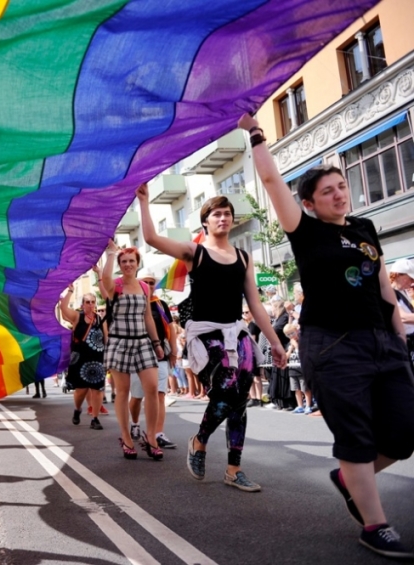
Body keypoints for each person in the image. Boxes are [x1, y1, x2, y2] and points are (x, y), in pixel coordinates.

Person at [240, 113, 414, 558]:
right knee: (355, 436)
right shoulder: (305, 230)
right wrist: (256, 133)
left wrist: (399, 341)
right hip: (333, 344)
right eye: (327, 191)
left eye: (341, 186)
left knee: (403, 434)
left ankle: (349, 478)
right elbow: (270, 178)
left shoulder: (365, 229)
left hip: (383, 341)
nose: (338, 194)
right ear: (310, 203)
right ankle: (375, 524)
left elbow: (382, 289)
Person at [138, 180, 285, 492]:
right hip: (206, 335)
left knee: (241, 402)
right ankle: (199, 440)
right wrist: (144, 203)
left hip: (237, 333)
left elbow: (255, 304)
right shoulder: (195, 252)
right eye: (217, 214)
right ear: (205, 221)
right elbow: (151, 237)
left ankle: (234, 470)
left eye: (227, 213)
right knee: (227, 390)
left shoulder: (244, 257)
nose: (223, 218)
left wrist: (273, 341)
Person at [101, 244, 165, 460]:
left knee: (153, 388)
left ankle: (151, 437)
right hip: (119, 343)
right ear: (120, 265)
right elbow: (105, 278)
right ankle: (126, 438)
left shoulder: (144, 288)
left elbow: (147, 316)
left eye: (131, 261)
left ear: (137, 264)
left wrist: (156, 343)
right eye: (124, 261)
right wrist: (110, 254)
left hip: (142, 342)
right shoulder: (115, 286)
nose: (128, 264)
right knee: (123, 391)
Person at [131, 269, 178, 449]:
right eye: (146, 282)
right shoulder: (133, 302)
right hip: (137, 355)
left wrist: (173, 352)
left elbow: (171, 328)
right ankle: (135, 423)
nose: (149, 286)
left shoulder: (161, 304)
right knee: (137, 396)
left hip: (160, 356)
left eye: (152, 282)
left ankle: (158, 433)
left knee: (160, 394)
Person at [59, 288, 107, 430]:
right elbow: (63, 307)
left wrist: (108, 356)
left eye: (93, 302)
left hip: (97, 358)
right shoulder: (77, 317)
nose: (90, 305)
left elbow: (106, 337)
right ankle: (78, 409)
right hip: (80, 358)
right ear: (82, 304)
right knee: (81, 390)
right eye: (87, 302)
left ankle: (95, 418)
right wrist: (70, 291)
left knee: (98, 389)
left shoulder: (100, 319)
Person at [388, 259, 414, 365]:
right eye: (409, 279)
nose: (411, 283)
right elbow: (403, 317)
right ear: (398, 275)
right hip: (400, 343)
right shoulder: (388, 293)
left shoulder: (403, 292)